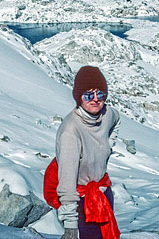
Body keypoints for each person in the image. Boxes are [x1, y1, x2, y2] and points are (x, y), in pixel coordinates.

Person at [55, 65, 120, 239]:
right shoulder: (71, 131)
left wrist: (107, 146)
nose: (96, 99)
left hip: (103, 193)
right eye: (89, 95)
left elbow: (117, 119)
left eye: (101, 94)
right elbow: (66, 182)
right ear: (79, 97)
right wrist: (70, 225)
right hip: (82, 203)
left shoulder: (106, 114)